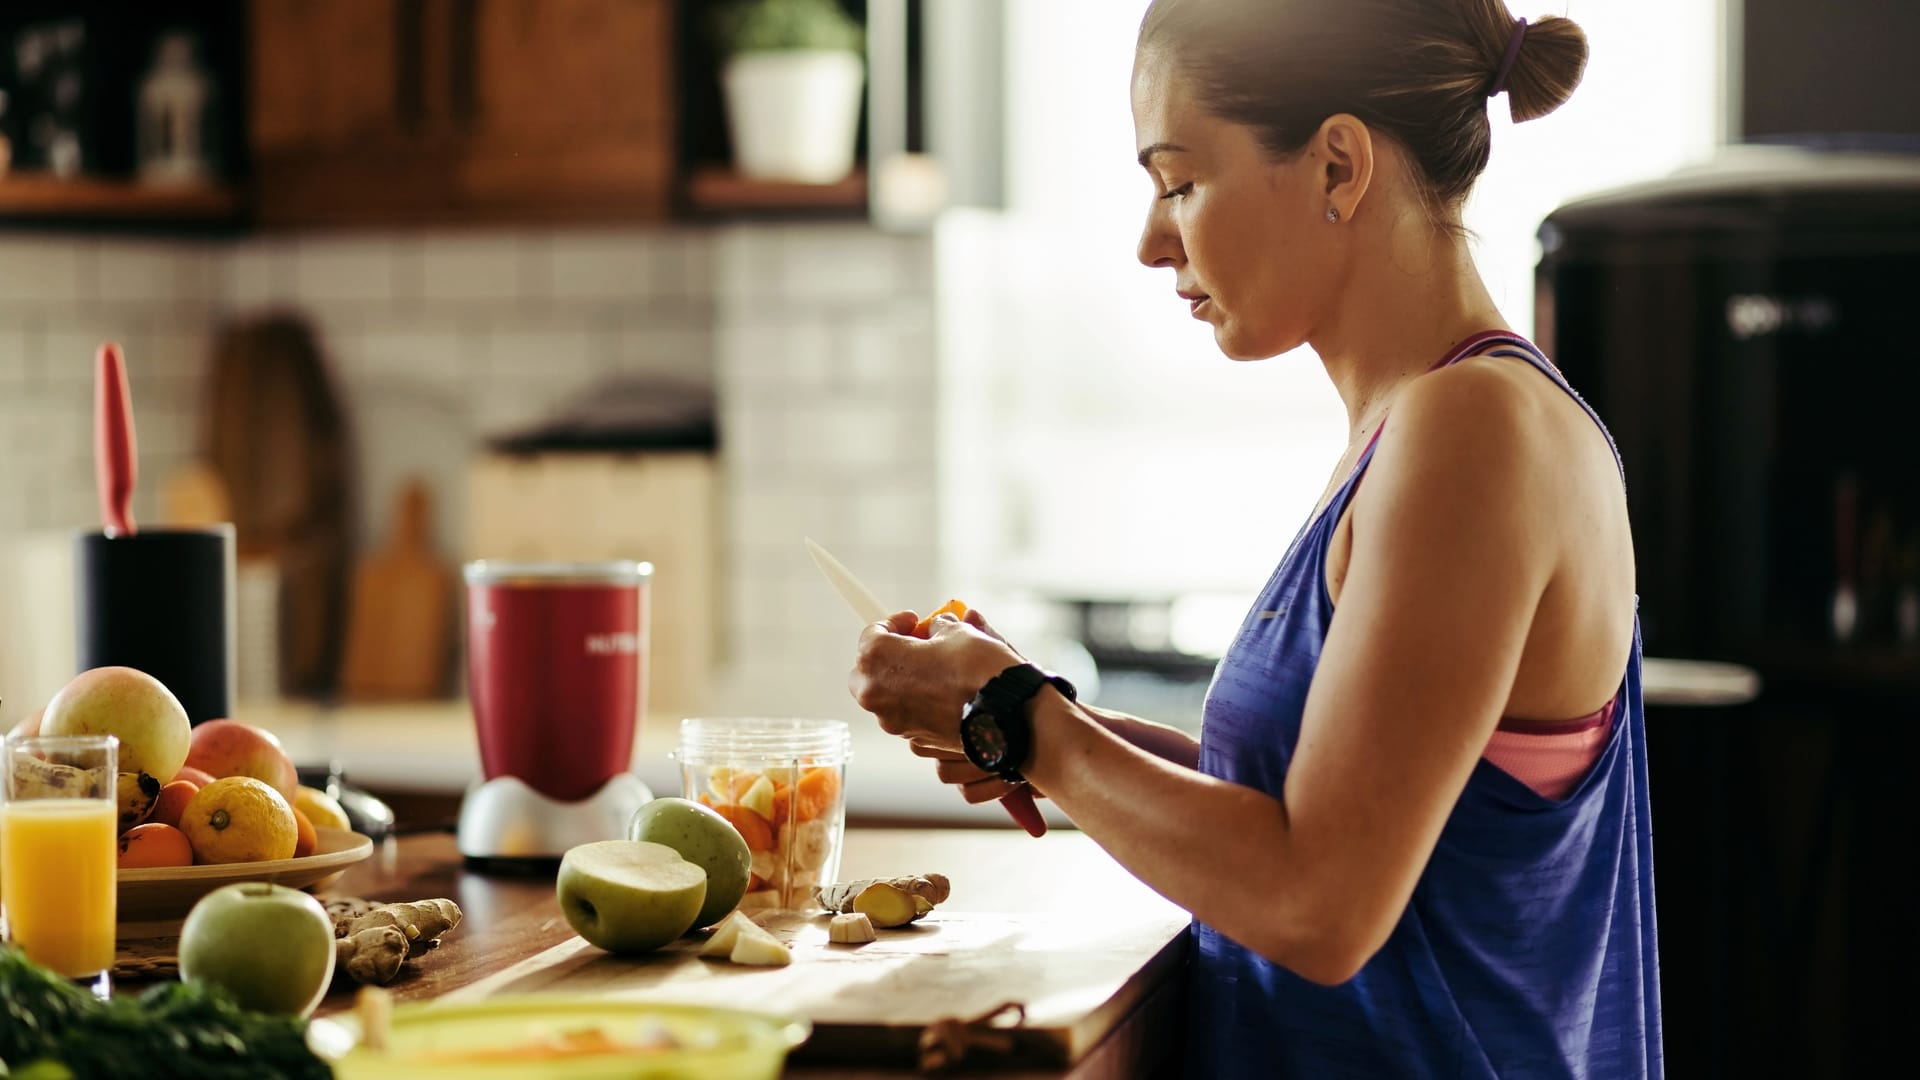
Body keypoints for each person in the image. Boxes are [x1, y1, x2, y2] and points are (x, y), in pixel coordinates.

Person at [847, 0, 1661, 1076]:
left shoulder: (1474, 434)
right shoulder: (1423, 429)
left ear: (1336, 167)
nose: (1151, 241)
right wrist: (1033, 720)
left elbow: (1320, 903)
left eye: (1179, 182)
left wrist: (1027, 723)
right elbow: (1312, 807)